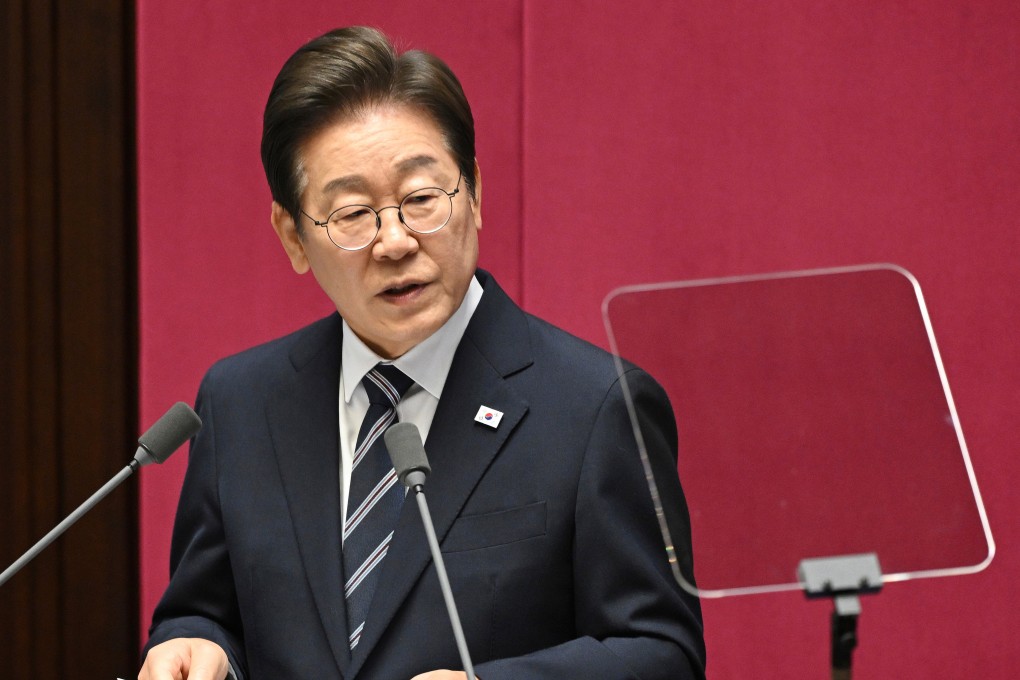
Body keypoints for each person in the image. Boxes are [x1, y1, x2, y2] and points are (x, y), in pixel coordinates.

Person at [139, 26, 706, 680]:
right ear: (293, 236)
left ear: (474, 194)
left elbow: (664, 655)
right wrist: (194, 644)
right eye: (353, 214)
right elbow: (206, 612)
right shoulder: (242, 402)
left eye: (420, 200)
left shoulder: (596, 408)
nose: (395, 241)